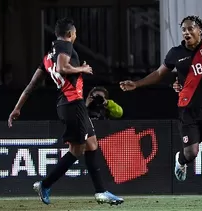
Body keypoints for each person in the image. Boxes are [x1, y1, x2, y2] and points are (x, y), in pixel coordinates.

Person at [120, 15, 202, 207]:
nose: (187, 32)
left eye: (191, 29)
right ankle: (180, 160)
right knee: (192, 153)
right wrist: (137, 84)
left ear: (200, 31)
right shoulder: (175, 53)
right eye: (184, 30)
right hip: (188, 110)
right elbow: (158, 74)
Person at [7, 17, 123, 206]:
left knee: (92, 144)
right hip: (72, 104)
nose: (75, 36)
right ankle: (45, 184)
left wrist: (17, 108)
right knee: (76, 150)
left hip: (68, 104)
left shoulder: (47, 57)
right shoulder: (64, 45)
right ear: (70, 34)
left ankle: (101, 191)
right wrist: (83, 68)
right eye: (75, 33)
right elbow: (62, 68)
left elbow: (30, 86)